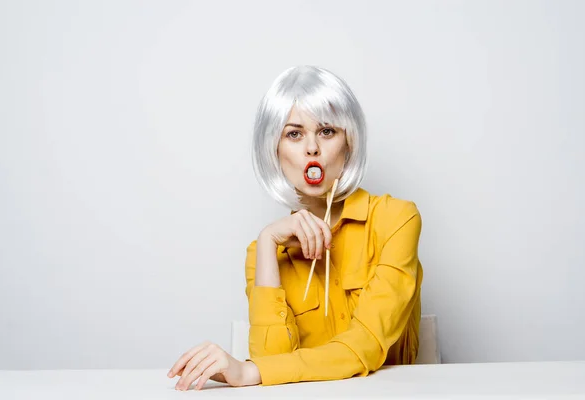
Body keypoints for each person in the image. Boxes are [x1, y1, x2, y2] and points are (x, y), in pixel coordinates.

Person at [167, 65, 423, 391]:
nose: (312, 148)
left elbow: (365, 346)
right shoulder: (262, 253)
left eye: (327, 131)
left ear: (349, 144)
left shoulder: (396, 219)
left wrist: (248, 372)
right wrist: (266, 241)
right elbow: (271, 362)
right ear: (275, 151)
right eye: (294, 134)